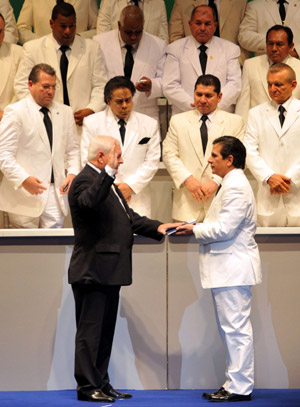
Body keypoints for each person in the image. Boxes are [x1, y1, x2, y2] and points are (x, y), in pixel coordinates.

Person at [68, 135, 176, 402]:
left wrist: (157, 226)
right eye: (117, 154)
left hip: (109, 270)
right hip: (92, 270)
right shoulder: (84, 180)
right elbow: (88, 203)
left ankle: (101, 383)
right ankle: (86, 387)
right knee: (90, 332)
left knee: (104, 332)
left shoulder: (107, 183)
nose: (122, 159)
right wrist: (107, 174)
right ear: (102, 158)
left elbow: (128, 218)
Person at [176, 136, 262, 402]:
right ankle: (234, 383)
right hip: (228, 268)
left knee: (236, 329)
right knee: (231, 329)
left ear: (230, 160)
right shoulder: (231, 183)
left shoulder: (236, 186)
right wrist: (193, 223)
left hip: (232, 268)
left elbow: (225, 229)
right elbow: (219, 220)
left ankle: (240, 387)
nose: (209, 160)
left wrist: (194, 229)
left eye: (214, 155)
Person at [0, 63, 80, 228]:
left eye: (53, 87)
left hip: (55, 192)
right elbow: (3, 154)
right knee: (24, 250)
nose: (50, 92)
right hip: (23, 193)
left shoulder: (65, 112)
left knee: (54, 249)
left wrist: (72, 174)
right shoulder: (15, 111)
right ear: (30, 85)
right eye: (45, 87)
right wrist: (23, 179)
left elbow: (73, 150)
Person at [163, 74, 245, 222]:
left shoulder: (235, 122)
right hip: (186, 203)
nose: (202, 100)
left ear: (219, 97)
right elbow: (169, 155)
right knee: (184, 245)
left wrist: (216, 181)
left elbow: (238, 159)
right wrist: (187, 179)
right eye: (198, 94)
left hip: (221, 200)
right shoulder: (178, 121)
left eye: (208, 95)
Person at [14, 0, 107, 128]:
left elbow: (101, 85)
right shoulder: (33, 49)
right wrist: (41, 110)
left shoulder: (92, 48)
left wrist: (92, 109)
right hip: (44, 123)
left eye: (72, 25)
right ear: (51, 23)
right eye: (63, 26)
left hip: (82, 125)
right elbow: (22, 85)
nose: (68, 31)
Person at [81, 76, 160, 217]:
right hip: (104, 194)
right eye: (119, 101)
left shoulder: (149, 124)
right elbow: (88, 160)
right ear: (108, 101)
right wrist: (114, 188)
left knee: (140, 237)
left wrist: (129, 186)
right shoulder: (92, 123)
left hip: (137, 196)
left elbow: (152, 162)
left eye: (128, 100)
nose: (124, 105)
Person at [245, 62, 300, 227]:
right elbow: (249, 150)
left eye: (278, 84)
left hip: (297, 191)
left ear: (293, 85)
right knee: (268, 249)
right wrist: (269, 177)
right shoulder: (256, 113)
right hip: (268, 194)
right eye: (269, 84)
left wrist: (288, 179)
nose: (272, 89)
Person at [163, 5, 241, 116]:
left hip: (220, 114)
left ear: (215, 26)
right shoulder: (175, 49)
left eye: (207, 24)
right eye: (198, 23)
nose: (203, 28)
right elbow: (170, 85)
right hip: (185, 114)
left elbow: (234, 84)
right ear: (190, 24)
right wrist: (196, 105)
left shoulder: (230, 49)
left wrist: (213, 105)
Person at [93, 5, 166, 121]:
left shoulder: (158, 45)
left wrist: (152, 85)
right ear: (119, 25)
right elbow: (95, 81)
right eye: (128, 32)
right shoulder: (99, 43)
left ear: (143, 26)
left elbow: (166, 81)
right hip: (109, 115)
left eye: (138, 32)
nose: (133, 37)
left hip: (144, 116)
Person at [236, 25, 300, 121]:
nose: (274, 48)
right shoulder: (250, 65)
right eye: (270, 44)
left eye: (279, 44)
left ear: (290, 47)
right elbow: (243, 104)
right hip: (258, 127)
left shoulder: (298, 67)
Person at [168, 0, 249, 63]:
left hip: (229, 66)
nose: (203, 28)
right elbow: (175, 36)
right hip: (191, 65)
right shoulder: (183, 2)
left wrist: (236, 63)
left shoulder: (240, 2)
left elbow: (245, 39)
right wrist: (187, 64)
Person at [17, 0, 98, 44]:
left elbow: (98, 30)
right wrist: (42, 43)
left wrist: (78, 39)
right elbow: (21, 29)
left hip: (78, 57)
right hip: (44, 59)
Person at [96, 0, 168, 43]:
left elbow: (163, 41)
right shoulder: (109, 2)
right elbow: (102, 39)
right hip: (116, 59)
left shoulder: (159, 4)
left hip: (148, 61)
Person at [0, 12, 23, 121]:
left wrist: (7, 113)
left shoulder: (19, 53)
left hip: (11, 121)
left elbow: (24, 89)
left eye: (0, 32)